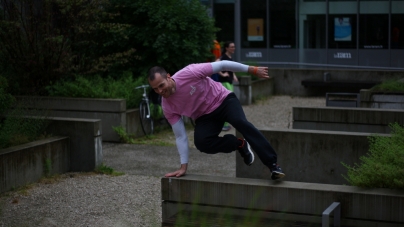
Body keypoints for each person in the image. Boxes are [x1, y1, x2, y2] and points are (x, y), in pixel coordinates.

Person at [147, 60, 286, 181]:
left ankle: (273, 165)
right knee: (202, 143)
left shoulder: (189, 72)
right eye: (155, 89)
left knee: (240, 123)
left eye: (161, 85)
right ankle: (239, 144)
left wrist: (252, 69)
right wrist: (183, 167)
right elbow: (180, 136)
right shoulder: (167, 106)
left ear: (169, 77)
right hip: (205, 116)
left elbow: (222, 65)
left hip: (223, 100)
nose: (160, 91)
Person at [218, 41, 238, 131]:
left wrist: (234, 76)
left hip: (229, 82)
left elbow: (231, 69)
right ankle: (223, 124)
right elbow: (214, 64)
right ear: (226, 48)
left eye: (234, 47)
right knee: (227, 102)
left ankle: (225, 123)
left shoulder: (230, 58)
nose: (233, 48)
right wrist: (222, 74)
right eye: (231, 47)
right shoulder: (223, 58)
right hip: (225, 82)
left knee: (229, 102)